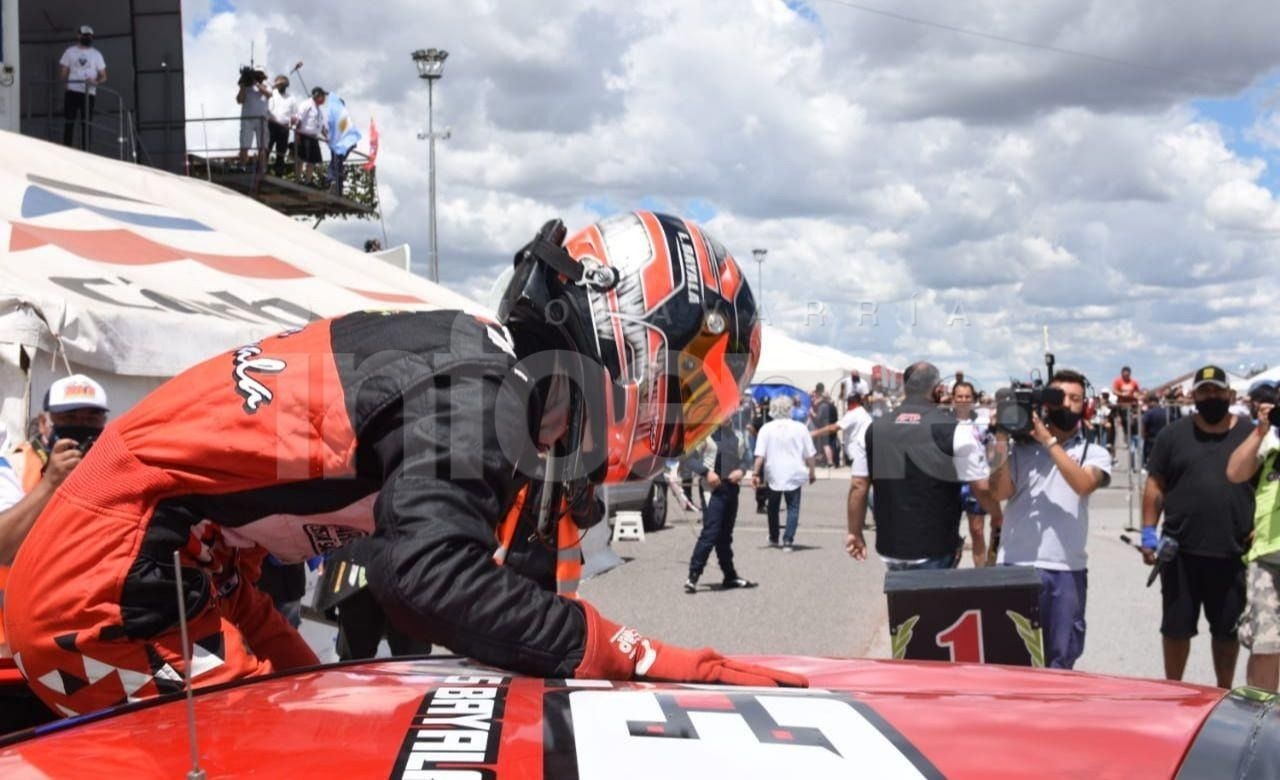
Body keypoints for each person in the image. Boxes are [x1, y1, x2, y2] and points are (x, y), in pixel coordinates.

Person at [4, 211, 803, 718]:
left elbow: (479, 598)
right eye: (689, 384)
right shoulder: (481, 390)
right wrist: (632, 650)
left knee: (318, 712)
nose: (681, 416)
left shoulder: (470, 360)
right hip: (105, 595)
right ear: (627, 334)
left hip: (187, 563)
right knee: (297, 751)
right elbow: (424, 578)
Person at [990, 370, 1111, 668]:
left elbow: (1083, 484)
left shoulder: (1094, 451)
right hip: (1016, 564)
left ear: (1086, 405)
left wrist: (1048, 441)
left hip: (1065, 568)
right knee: (1011, 659)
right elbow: (998, 491)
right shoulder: (1021, 450)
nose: (1067, 405)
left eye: (1075, 399)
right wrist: (1002, 440)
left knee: (1060, 660)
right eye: (1060, 398)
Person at [1142, 365, 1254, 688]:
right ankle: (1173, 690)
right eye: (1205, 391)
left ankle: (1222, 693)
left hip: (1233, 550)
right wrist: (1149, 534)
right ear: (1193, 396)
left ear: (1231, 395)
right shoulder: (1172, 435)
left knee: (1226, 632)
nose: (1212, 397)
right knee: (1175, 629)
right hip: (1179, 550)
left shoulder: (1249, 433)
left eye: (1218, 391)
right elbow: (1155, 486)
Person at [0, 375, 110, 658]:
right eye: (70, 417)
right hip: (10, 646)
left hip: (86, 641)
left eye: (92, 419)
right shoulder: (14, 466)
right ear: (44, 423)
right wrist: (51, 483)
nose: (81, 426)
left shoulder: (116, 470)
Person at [846, 362, 994, 571]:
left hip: (891, 547)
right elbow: (980, 486)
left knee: (903, 602)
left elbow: (859, 485)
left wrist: (854, 531)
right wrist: (998, 515)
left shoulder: (874, 428)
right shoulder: (955, 430)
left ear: (905, 387)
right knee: (935, 603)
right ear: (936, 390)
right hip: (936, 546)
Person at [1225, 383, 1280, 689]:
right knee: (1265, 646)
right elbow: (1235, 472)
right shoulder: (1270, 437)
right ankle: (1261, 724)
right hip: (1268, 558)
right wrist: (1261, 429)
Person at [683, 402, 757, 594]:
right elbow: (688, 458)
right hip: (712, 490)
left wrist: (741, 470)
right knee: (711, 532)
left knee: (725, 536)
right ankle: (693, 575)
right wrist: (706, 473)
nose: (728, 416)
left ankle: (729, 575)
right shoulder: (705, 436)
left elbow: (747, 458)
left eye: (730, 412)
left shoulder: (738, 437)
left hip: (731, 489)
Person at [753, 395, 816, 551]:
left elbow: (759, 455)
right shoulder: (800, 428)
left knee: (773, 507)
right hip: (794, 471)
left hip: (773, 472)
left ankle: (774, 537)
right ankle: (788, 540)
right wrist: (812, 472)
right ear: (790, 410)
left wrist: (755, 473)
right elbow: (810, 454)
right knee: (793, 507)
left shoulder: (766, 428)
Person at [953, 380, 1004, 568]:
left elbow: (992, 452)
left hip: (975, 482)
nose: (963, 400)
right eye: (959, 396)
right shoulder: (945, 422)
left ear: (973, 399)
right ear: (953, 399)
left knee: (977, 530)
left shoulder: (981, 422)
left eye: (967, 397)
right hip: (951, 483)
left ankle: (983, 572)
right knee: (948, 533)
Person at [59, 25, 107, 150]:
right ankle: (67, 147)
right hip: (72, 91)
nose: (88, 38)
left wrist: (95, 82)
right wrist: (66, 84)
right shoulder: (70, 52)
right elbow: (64, 71)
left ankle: (86, 149)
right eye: (85, 35)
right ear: (78, 36)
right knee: (69, 120)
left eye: (90, 36)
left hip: (88, 92)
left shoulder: (96, 54)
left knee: (86, 122)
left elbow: (104, 76)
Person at [236, 66, 271, 167]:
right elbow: (240, 100)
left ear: (264, 76)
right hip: (247, 119)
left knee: (262, 146)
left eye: (260, 73)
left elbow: (268, 94)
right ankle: (242, 166)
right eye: (256, 73)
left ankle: (262, 168)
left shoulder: (267, 85)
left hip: (262, 120)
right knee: (244, 145)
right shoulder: (247, 86)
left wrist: (256, 83)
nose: (258, 75)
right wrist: (243, 86)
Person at [294, 87, 329, 183]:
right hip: (304, 135)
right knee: (301, 158)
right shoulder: (306, 104)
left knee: (312, 161)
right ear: (317, 95)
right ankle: (298, 179)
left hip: (314, 137)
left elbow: (321, 127)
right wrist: (297, 134)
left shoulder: (319, 110)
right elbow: (299, 119)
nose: (324, 99)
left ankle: (307, 181)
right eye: (322, 96)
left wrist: (328, 137)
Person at [265, 75, 296, 178]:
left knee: (281, 152)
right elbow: (268, 87)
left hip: (284, 127)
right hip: (271, 124)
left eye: (284, 84)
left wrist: (293, 122)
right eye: (280, 83)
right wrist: (276, 83)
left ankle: (279, 173)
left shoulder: (291, 98)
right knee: (266, 148)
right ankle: (262, 169)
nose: (282, 85)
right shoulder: (271, 93)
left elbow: (294, 114)